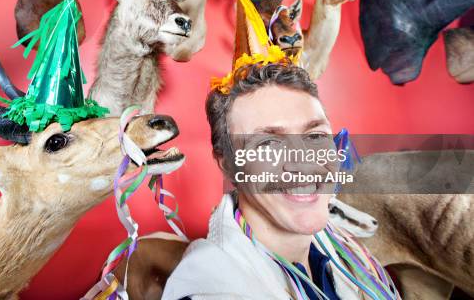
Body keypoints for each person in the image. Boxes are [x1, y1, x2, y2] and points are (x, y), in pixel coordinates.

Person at [162, 62, 399, 300]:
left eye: (315, 136)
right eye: (268, 144)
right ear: (228, 165)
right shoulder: (210, 290)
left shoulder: (351, 254)